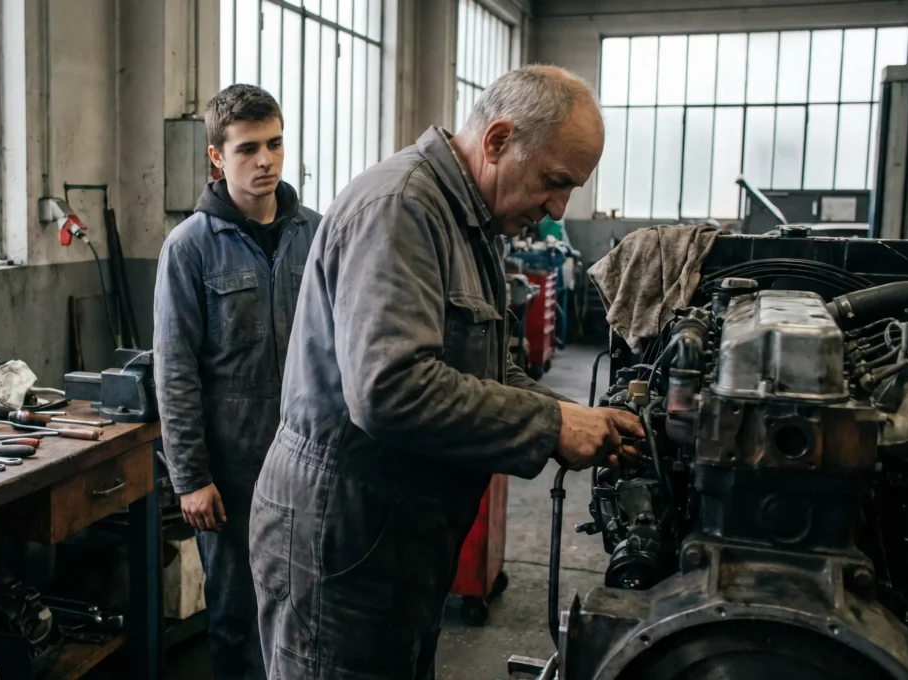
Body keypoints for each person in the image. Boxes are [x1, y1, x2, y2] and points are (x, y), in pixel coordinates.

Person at [249, 65, 643, 679]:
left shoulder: (472, 220)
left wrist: (574, 419)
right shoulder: (401, 208)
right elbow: (389, 389)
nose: (558, 209)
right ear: (497, 141)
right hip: (345, 534)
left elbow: (490, 363)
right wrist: (548, 423)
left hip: (398, 531)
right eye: (555, 182)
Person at [153, 84, 322, 680]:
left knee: (310, 614)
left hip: (312, 464)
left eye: (275, 143)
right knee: (238, 621)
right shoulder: (190, 248)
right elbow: (175, 372)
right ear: (217, 158)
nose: (266, 160)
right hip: (234, 474)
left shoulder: (317, 235)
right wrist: (191, 478)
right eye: (248, 148)